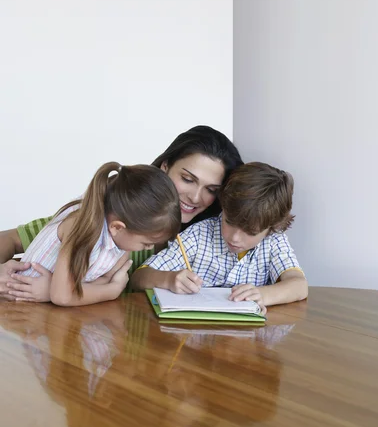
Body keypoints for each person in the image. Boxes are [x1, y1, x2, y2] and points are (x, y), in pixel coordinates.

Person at [0, 126, 243, 301]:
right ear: (165, 167)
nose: (196, 197)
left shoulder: (208, 239)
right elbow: (10, 239)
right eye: (187, 179)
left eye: (211, 190)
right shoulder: (114, 212)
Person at [132, 162, 308, 309]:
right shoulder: (198, 235)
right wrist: (168, 279)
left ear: (271, 228)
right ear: (223, 207)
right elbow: (138, 278)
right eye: (229, 222)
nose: (235, 238)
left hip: (250, 342)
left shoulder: (274, 241)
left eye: (251, 232)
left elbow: (299, 286)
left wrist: (263, 294)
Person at [9, 162, 181, 306]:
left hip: (50, 310)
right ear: (117, 227)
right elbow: (62, 296)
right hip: (20, 304)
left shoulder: (121, 240)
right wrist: (112, 291)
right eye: (146, 243)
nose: (150, 248)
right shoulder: (82, 227)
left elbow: (105, 278)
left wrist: (70, 291)